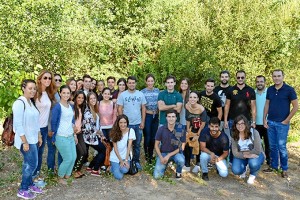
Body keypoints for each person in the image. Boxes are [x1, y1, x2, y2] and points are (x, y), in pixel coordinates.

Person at [263, 69, 298, 178]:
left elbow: (296, 107)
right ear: (272, 77)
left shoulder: (289, 90)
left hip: (282, 124)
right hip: (271, 122)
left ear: (283, 76)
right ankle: (273, 166)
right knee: (272, 146)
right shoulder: (270, 89)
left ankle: (284, 168)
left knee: (281, 147)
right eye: (274, 76)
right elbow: (267, 105)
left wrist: (287, 120)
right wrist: (264, 119)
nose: (276, 78)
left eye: (279, 76)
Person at [13, 79, 43, 199]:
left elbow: (36, 122)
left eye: (34, 88)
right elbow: (18, 124)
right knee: (31, 164)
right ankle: (23, 189)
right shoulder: (19, 103)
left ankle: (30, 184)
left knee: (31, 163)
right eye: (30, 88)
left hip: (33, 138)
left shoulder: (31, 102)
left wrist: (39, 135)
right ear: (23, 88)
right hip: (25, 140)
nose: (33, 91)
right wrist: (24, 142)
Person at [117, 76, 146, 170]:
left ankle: (136, 161)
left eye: (133, 82)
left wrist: (143, 122)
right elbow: (119, 108)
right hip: (126, 125)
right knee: (125, 144)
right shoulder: (123, 95)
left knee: (137, 144)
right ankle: (126, 160)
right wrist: (122, 123)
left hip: (137, 124)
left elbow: (143, 108)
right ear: (127, 84)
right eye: (129, 83)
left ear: (135, 83)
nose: (131, 84)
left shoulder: (140, 94)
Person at [51, 85, 77, 184]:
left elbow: (72, 120)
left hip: (70, 135)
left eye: (68, 93)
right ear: (60, 93)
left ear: (70, 94)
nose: (66, 95)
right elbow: (53, 122)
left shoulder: (70, 106)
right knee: (68, 158)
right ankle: (60, 177)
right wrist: (54, 134)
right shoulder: (57, 107)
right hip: (61, 136)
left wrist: (74, 133)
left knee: (74, 157)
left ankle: (67, 175)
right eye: (64, 93)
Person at [34, 70, 56, 184]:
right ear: (40, 79)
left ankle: (36, 176)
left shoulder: (48, 93)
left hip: (44, 128)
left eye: (49, 78)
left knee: (40, 152)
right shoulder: (35, 93)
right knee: (35, 153)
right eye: (45, 78)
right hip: (35, 128)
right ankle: (33, 178)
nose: (48, 80)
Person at [231, 115, 265, 184]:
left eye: (242, 123)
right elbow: (235, 153)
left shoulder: (254, 132)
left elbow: (257, 150)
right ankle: (244, 169)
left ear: (246, 124)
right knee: (236, 170)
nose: (240, 126)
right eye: (238, 124)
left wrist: (245, 153)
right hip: (243, 155)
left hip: (255, 154)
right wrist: (246, 155)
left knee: (253, 163)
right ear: (235, 125)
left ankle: (253, 174)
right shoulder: (234, 134)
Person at [153, 109, 186, 179]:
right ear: (166, 118)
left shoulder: (181, 128)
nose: (171, 119)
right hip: (164, 153)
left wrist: (169, 155)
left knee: (181, 160)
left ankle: (178, 172)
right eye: (169, 116)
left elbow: (182, 147)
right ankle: (165, 165)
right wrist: (161, 157)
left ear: (176, 118)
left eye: (173, 117)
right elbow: (156, 145)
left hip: (176, 153)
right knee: (157, 177)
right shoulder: (161, 129)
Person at [82, 92, 107, 176]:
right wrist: (99, 133)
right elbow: (89, 127)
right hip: (90, 137)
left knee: (102, 149)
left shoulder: (94, 109)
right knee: (103, 150)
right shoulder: (87, 112)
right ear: (88, 100)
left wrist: (101, 135)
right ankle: (95, 170)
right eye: (91, 98)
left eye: (94, 98)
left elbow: (97, 124)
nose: (93, 100)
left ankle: (91, 166)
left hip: (95, 135)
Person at [183, 91, 207, 173]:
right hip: (191, 128)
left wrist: (198, 134)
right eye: (190, 97)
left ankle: (198, 164)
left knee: (198, 145)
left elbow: (203, 123)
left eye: (194, 97)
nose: (192, 99)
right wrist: (187, 131)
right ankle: (187, 164)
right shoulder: (187, 106)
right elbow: (187, 120)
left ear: (197, 99)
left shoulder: (201, 109)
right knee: (187, 143)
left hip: (201, 129)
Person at [109, 115, 136, 180]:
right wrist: (121, 161)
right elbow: (115, 149)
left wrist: (126, 160)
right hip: (116, 156)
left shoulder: (131, 131)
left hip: (125, 156)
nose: (123, 125)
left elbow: (129, 147)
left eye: (125, 122)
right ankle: (111, 168)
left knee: (124, 170)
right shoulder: (114, 132)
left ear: (127, 123)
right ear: (118, 123)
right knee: (119, 177)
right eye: (121, 122)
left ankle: (116, 167)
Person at [141, 74, 160, 163]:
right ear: (146, 82)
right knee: (147, 137)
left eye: (152, 81)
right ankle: (147, 156)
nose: (150, 82)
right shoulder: (142, 92)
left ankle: (151, 154)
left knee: (153, 137)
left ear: (154, 81)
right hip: (147, 116)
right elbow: (142, 106)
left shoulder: (158, 91)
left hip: (155, 116)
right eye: (148, 81)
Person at [255, 75, 270, 166]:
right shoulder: (253, 92)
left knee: (268, 144)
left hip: (267, 123)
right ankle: (259, 160)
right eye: (257, 82)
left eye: (261, 81)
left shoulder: (269, 92)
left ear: (265, 82)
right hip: (256, 123)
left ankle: (270, 162)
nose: (259, 83)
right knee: (257, 145)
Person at [73, 90, 88, 178]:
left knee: (84, 152)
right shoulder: (72, 107)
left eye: (82, 98)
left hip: (80, 132)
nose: (80, 99)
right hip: (73, 134)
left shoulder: (82, 107)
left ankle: (78, 169)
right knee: (80, 152)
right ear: (75, 98)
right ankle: (75, 170)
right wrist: (74, 134)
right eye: (79, 97)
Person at [214, 70, 231, 137]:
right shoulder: (215, 90)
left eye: (226, 77)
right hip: (217, 118)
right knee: (217, 137)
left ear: (229, 78)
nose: (224, 78)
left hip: (229, 119)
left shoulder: (232, 89)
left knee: (229, 138)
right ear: (220, 78)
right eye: (222, 77)